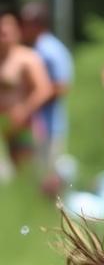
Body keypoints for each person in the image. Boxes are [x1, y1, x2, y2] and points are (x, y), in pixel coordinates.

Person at [19, 2, 73, 192]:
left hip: (49, 125)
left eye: (25, 23)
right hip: (34, 126)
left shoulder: (50, 50)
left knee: (47, 177)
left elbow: (61, 86)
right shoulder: (36, 48)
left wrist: (31, 100)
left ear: (38, 24)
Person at [0, 10, 51, 170]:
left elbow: (44, 89)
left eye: (7, 31)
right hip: (2, 126)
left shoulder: (27, 58)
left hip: (23, 125)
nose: (4, 35)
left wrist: (24, 110)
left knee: (24, 173)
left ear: (17, 31)